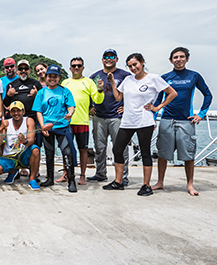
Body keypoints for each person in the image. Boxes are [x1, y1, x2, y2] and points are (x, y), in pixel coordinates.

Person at [103, 53, 177, 196]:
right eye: (130, 66)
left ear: (142, 62)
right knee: (117, 149)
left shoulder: (153, 78)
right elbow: (118, 97)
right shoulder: (128, 79)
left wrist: (157, 107)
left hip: (144, 120)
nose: (133, 68)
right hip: (127, 120)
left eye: (135, 64)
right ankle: (118, 182)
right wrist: (112, 83)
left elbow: (172, 93)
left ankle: (146, 185)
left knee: (145, 152)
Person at [153, 47, 213, 196]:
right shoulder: (165, 77)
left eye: (181, 57)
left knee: (188, 155)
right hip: (166, 120)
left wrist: (201, 114)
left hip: (187, 121)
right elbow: (158, 100)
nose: (178, 59)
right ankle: (160, 182)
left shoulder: (194, 76)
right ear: (170, 60)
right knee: (162, 154)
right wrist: (154, 119)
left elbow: (208, 95)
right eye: (175, 57)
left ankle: (190, 184)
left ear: (187, 59)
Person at [88, 49, 131, 184]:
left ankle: (123, 177)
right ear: (102, 60)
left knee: (120, 148)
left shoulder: (125, 75)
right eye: (106, 57)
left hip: (117, 117)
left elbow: (132, 92)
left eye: (112, 56)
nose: (109, 59)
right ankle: (100, 173)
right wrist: (90, 107)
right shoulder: (95, 76)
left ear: (117, 59)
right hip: (99, 116)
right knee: (99, 147)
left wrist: (127, 107)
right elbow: (88, 93)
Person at [33, 64, 77, 192]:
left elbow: (71, 106)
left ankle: (71, 180)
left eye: (55, 76)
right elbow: (38, 111)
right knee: (49, 153)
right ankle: (50, 178)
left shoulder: (65, 91)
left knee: (67, 153)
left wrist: (71, 112)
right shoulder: (41, 93)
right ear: (46, 77)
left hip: (62, 127)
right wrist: (42, 126)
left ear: (59, 77)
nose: (52, 79)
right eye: (50, 76)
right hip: (47, 127)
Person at [62, 57, 104, 185]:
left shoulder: (89, 82)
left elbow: (97, 100)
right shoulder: (65, 83)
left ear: (83, 68)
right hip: (67, 122)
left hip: (82, 121)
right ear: (70, 68)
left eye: (79, 65)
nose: (76, 68)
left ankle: (82, 175)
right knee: (66, 149)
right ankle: (65, 174)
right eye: (74, 65)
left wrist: (100, 90)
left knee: (82, 150)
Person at [0, 101, 41, 190]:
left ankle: (32, 179)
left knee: (35, 149)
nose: (16, 113)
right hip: (9, 157)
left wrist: (24, 141)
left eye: (18, 111)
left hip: (23, 155)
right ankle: (12, 171)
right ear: (10, 112)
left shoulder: (29, 120)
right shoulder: (6, 123)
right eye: (13, 111)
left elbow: (31, 140)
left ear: (23, 112)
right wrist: (1, 129)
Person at [3, 59, 43, 177]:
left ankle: (34, 171)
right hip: (17, 120)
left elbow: (43, 102)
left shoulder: (36, 84)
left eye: (26, 69)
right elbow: (5, 104)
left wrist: (37, 95)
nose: (23, 71)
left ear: (30, 70)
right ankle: (17, 169)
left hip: (32, 119)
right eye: (21, 69)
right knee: (17, 144)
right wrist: (9, 95)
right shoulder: (12, 85)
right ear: (17, 70)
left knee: (35, 145)